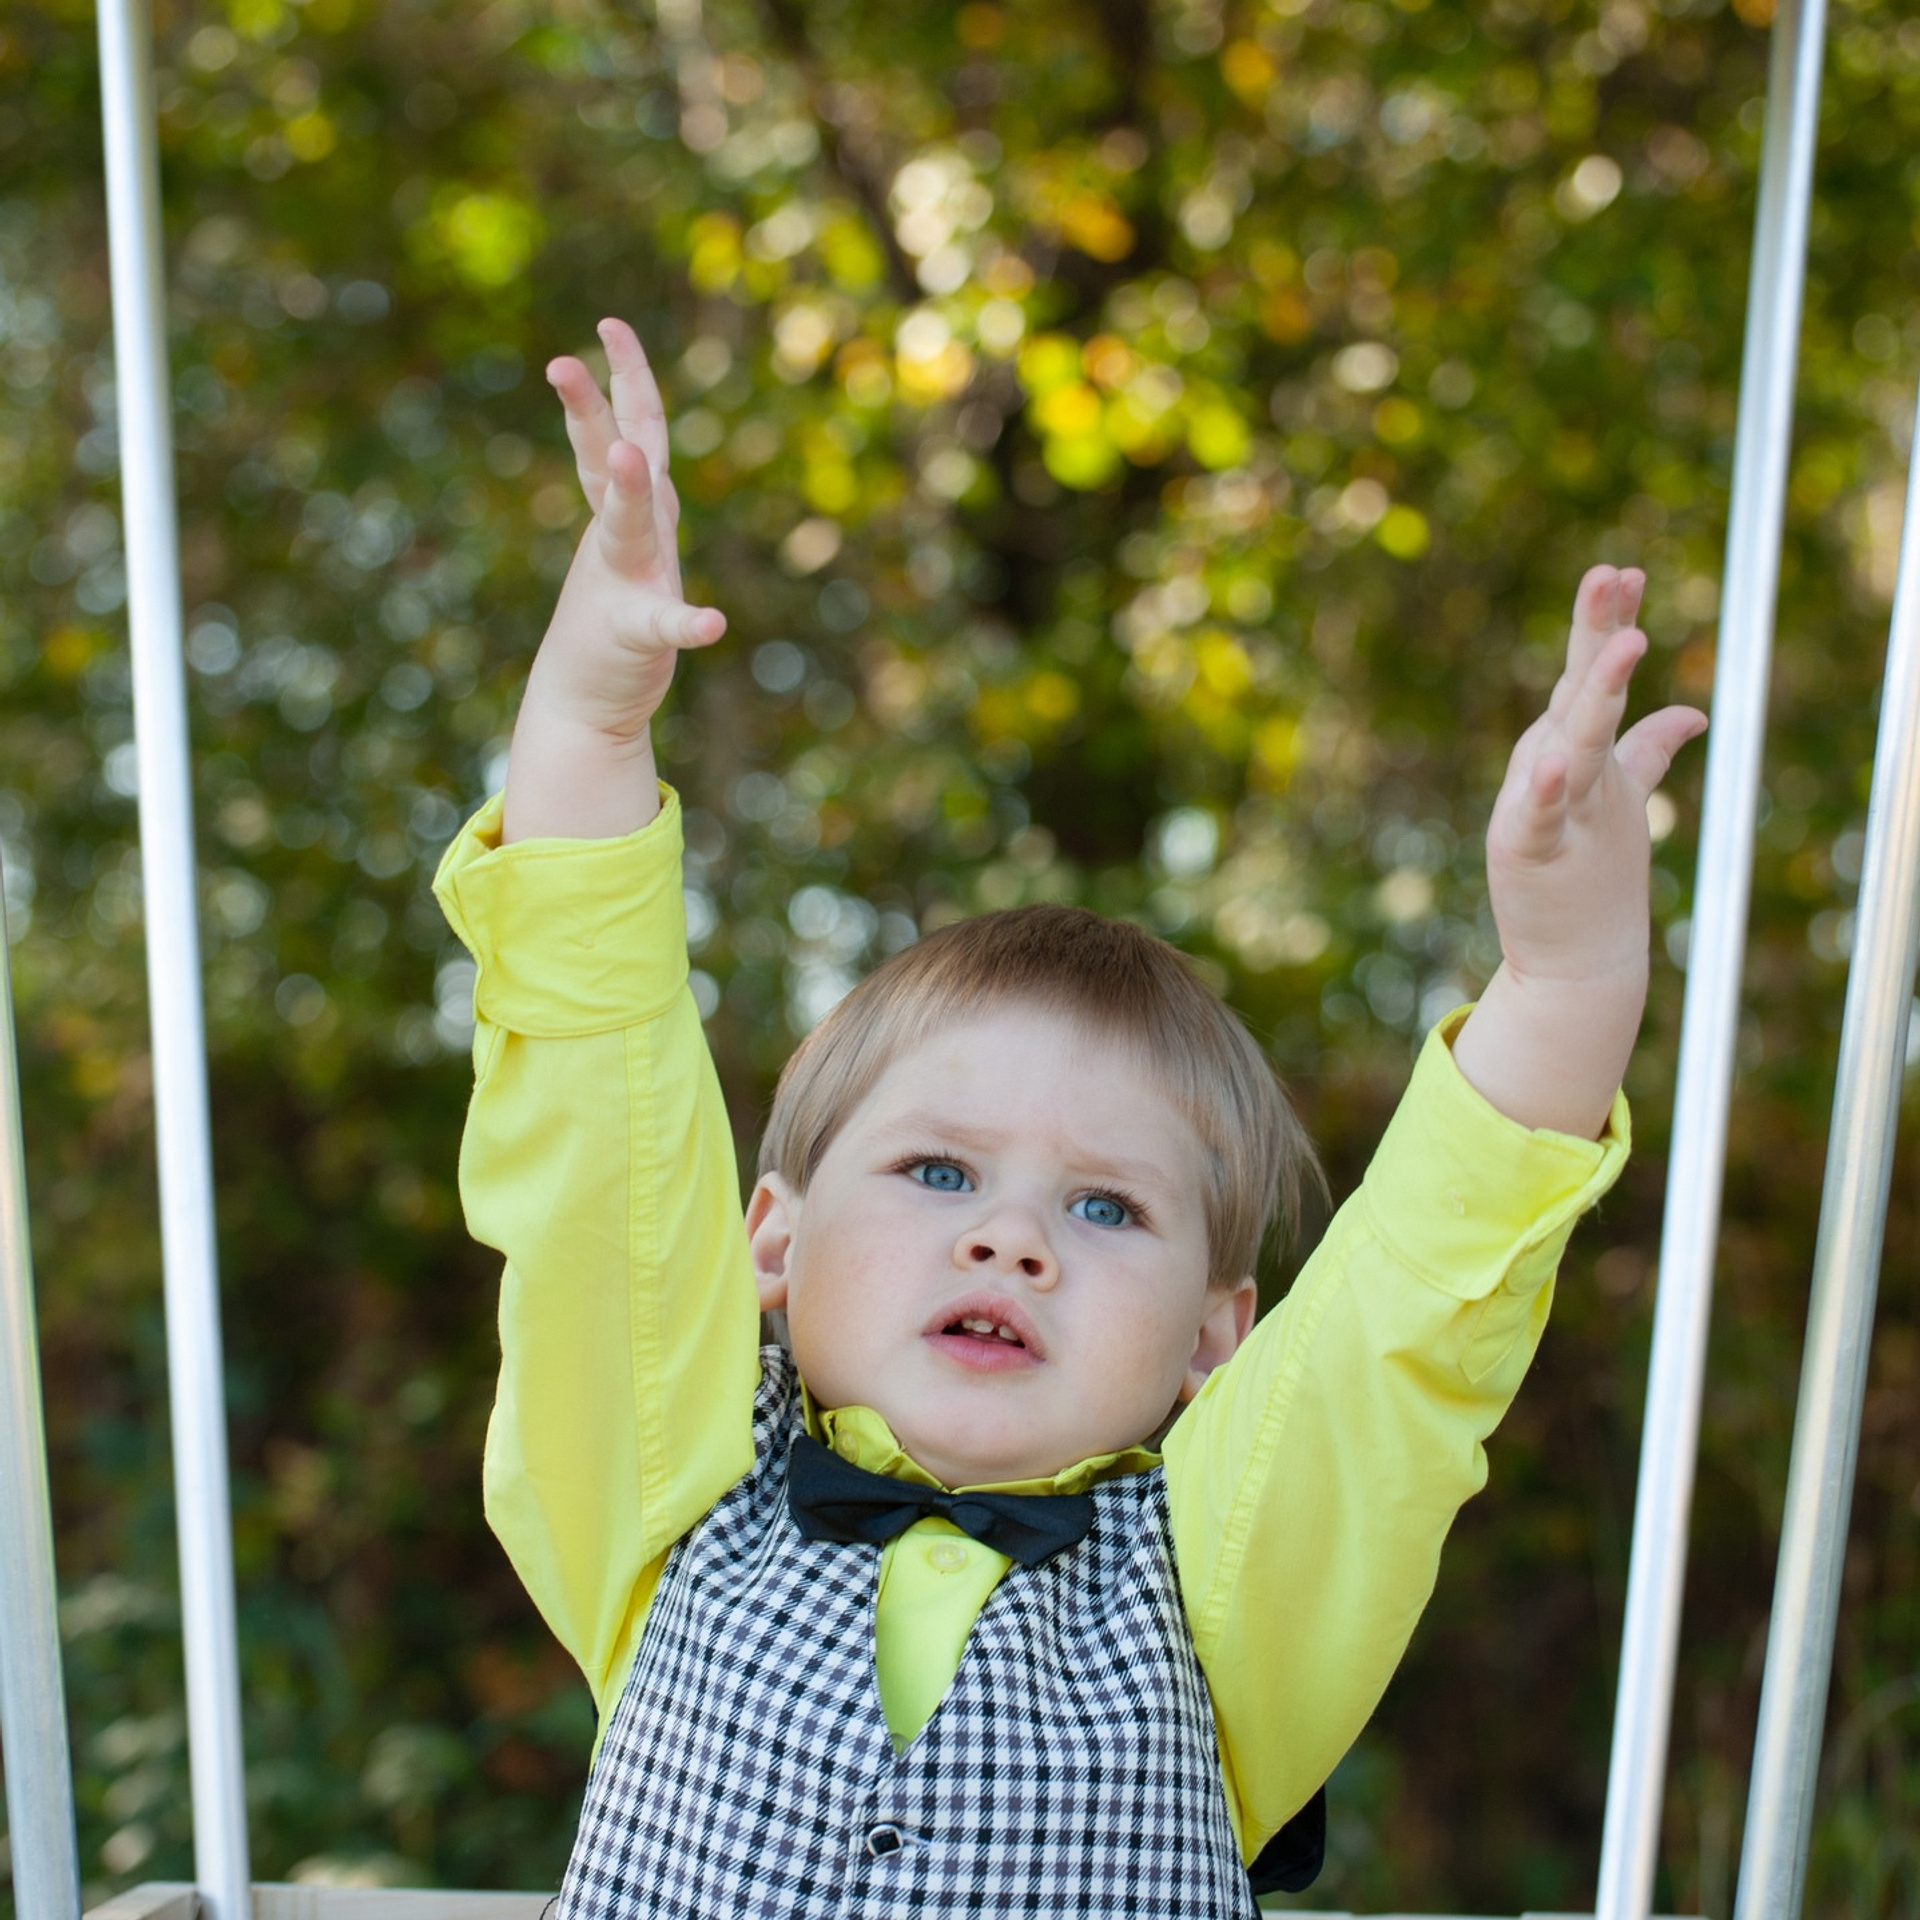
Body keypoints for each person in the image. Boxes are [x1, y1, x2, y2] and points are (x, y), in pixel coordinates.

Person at [433, 316, 1706, 1918]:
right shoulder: (670, 1491)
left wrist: (1571, 969)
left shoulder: (1219, 1581)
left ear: (1212, 1337)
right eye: (939, 1169)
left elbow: (1413, 1317)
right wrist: (589, 723)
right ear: (774, 1237)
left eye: (1107, 1209)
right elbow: (592, 1124)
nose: (1009, 1236)